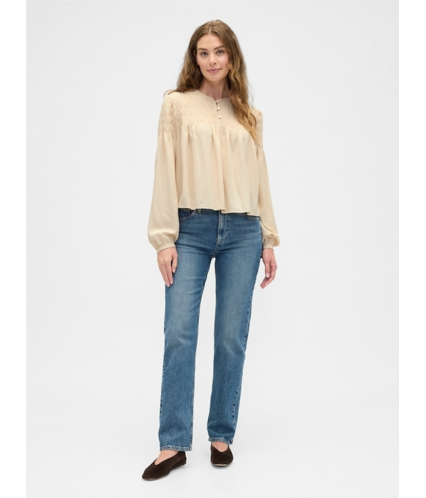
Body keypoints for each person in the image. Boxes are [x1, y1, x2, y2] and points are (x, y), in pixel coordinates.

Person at [142, 20, 280, 481]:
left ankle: (221, 434)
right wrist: (164, 238)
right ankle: (172, 443)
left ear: (232, 56)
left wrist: (268, 238)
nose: (212, 60)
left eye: (219, 51)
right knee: (179, 333)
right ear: (194, 58)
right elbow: (165, 169)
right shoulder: (177, 105)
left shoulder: (250, 115)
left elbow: (261, 179)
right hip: (191, 228)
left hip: (244, 231)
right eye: (203, 52)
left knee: (230, 336)